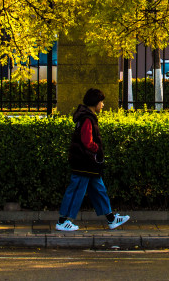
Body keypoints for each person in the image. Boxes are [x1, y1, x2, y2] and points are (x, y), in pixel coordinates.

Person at [55, 88, 130, 232]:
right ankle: (62, 221)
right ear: (95, 102)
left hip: (87, 162)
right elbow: (87, 141)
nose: (102, 105)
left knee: (99, 190)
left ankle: (111, 219)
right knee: (77, 190)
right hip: (84, 162)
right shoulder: (87, 118)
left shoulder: (86, 116)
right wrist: (97, 149)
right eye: (101, 102)